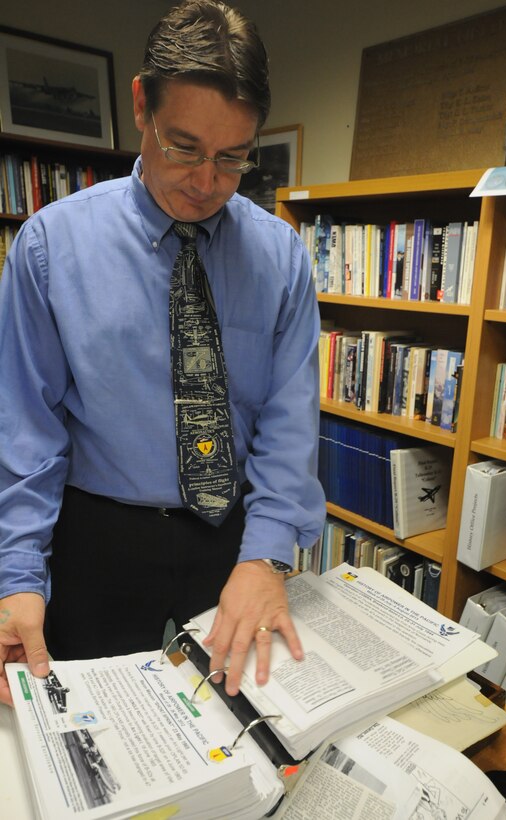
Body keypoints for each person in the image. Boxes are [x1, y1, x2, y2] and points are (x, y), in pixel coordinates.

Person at [0, 0, 325, 707]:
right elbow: (28, 432)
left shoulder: (279, 257)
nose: (206, 182)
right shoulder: (51, 249)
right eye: (184, 146)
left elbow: (289, 420)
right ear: (142, 104)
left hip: (233, 538)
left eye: (232, 158)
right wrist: (18, 578)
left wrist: (267, 553)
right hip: (97, 540)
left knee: (248, 738)